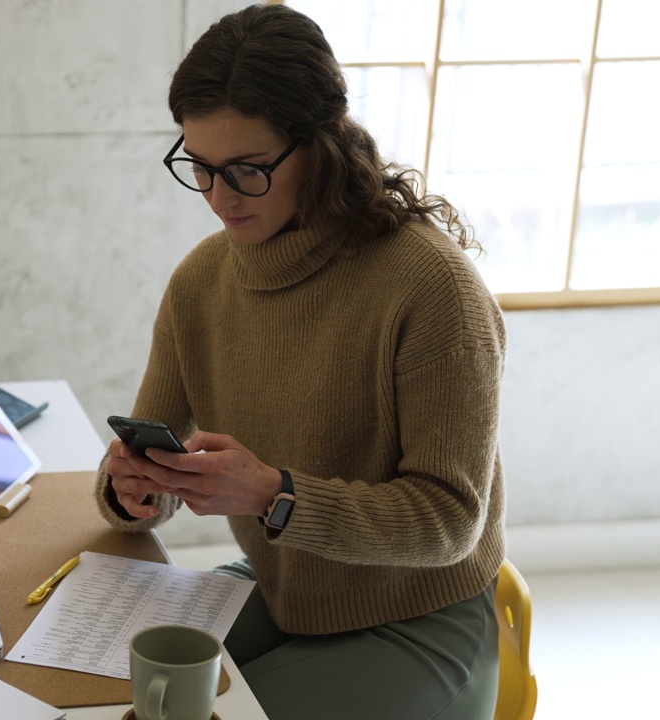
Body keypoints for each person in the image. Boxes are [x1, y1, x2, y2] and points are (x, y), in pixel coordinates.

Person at [93, 5, 507, 719]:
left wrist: (274, 495)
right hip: (285, 591)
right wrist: (132, 488)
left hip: (420, 620)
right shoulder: (201, 281)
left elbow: (451, 521)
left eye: (247, 171)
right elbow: (147, 460)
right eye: (200, 167)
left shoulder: (433, 288)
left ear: (319, 145)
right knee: (102, 689)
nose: (219, 198)